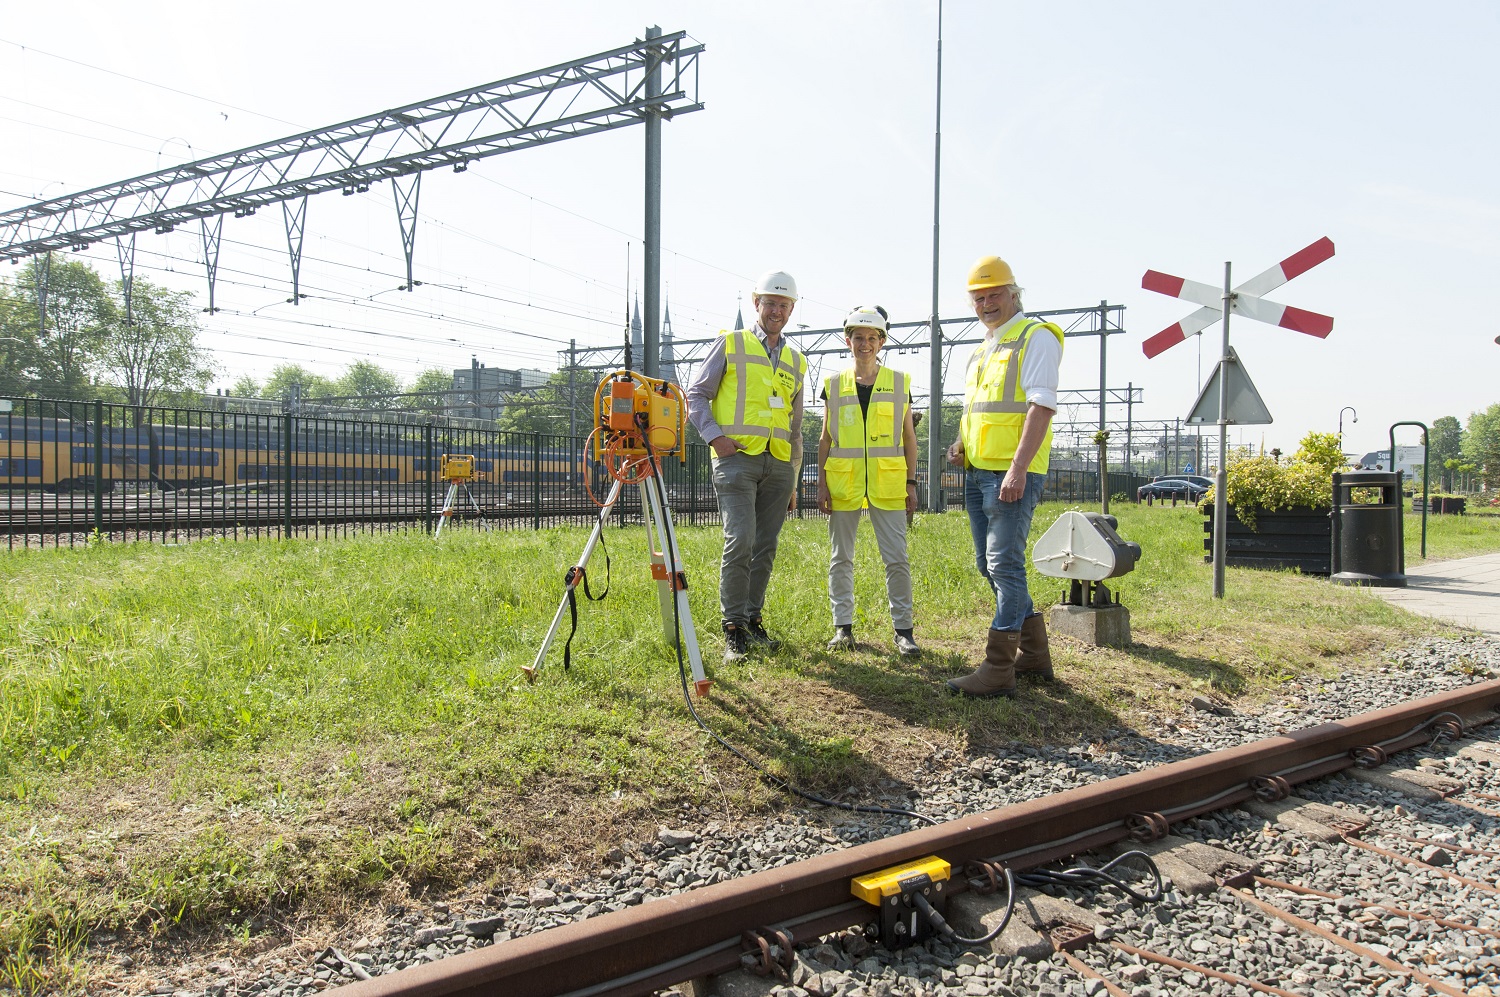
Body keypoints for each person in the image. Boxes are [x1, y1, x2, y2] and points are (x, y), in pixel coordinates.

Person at [945, 256, 1064, 698]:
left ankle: (998, 669)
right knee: (989, 565)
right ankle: (1033, 656)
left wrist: (1017, 468)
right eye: (979, 297)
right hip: (979, 472)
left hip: (1011, 475)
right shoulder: (985, 348)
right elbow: (978, 410)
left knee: (1004, 566)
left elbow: (1041, 406)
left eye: (995, 294)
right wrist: (961, 443)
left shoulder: (1035, 338)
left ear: (1015, 293)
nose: (987, 303)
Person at [685, 270, 808, 662]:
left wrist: (793, 482)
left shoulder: (796, 360)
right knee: (740, 541)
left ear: (792, 310)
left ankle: (753, 620)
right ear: (756, 304)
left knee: (766, 546)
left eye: (783, 305)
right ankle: (733, 627)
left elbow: (795, 426)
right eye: (769, 303)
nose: (776, 311)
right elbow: (697, 395)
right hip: (737, 461)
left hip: (779, 466)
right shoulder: (731, 343)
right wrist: (715, 439)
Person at [816, 306, 920, 657]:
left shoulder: (899, 383)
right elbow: (825, 440)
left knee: (897, 559)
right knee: (840, 558)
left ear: (882, 342)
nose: (864, 344)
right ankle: (842, 628)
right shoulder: (833, 385)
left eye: (871, 338)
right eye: (858, 337)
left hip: (888, 485)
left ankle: (904, 631)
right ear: (848, 341)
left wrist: (911, 483)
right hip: (843, 484)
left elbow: (909, 438)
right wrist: (821, 484)